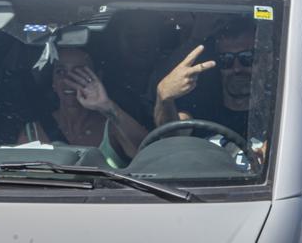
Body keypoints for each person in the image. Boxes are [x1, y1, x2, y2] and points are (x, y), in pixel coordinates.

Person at [16, 47, 148, 168]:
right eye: (60, 71)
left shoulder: (112, 127)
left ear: (97, 78)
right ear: (53, 82)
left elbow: (148, 156)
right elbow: (17, 177)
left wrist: (107, 106)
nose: (68, 79)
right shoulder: (33, 133)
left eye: (79, 72)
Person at [153, 19, 258, 139]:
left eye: (247, 58)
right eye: (226, 60)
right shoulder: (201, 105)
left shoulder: (279, 110)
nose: (237, 68)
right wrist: (164, 97)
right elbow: (172, 135)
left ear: (267, 60)